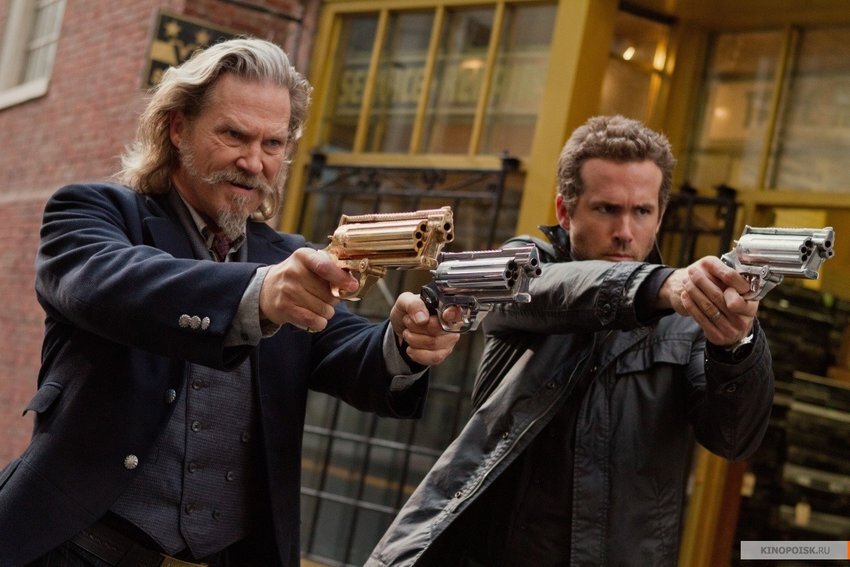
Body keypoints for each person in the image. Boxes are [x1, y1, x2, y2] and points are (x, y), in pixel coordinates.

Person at [0, 38, 460, 567]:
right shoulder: (93, 211)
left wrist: (405, 338)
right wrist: (257, 294)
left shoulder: (286, 255)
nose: (254, 162)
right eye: (234, 135)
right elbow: (105, 285)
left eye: (273, 143)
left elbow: (349, 348)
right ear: (178, 128)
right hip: (74, 551)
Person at [367, 115, 774, 567]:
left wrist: (736, 345)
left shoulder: (686, 319)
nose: (625, 231)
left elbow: (734, 439)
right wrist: (658, 286)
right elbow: (548, 288)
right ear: (565, 211)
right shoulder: (521, 269)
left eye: (641, 211)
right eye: (607, 209)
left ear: (660, 216)